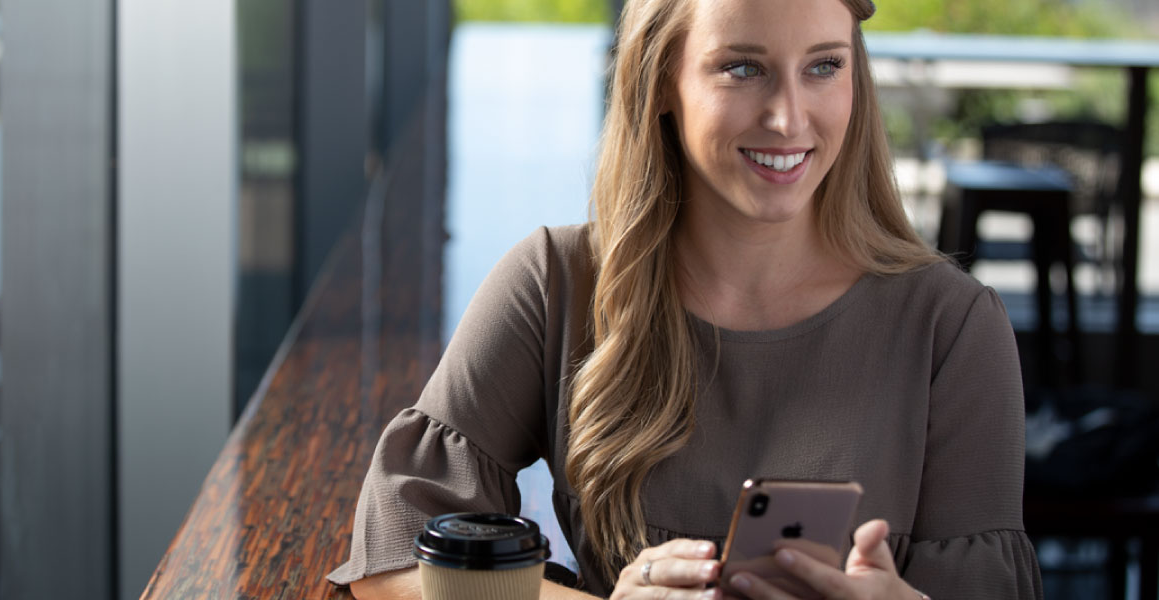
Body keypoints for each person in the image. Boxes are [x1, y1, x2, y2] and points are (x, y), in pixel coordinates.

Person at [328, 0, 1043, 597]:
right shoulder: (558, 279)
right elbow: (393, 559)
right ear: (660, 82)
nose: (790, 118)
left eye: (824, 66)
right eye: (743, 68)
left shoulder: (952, 328)